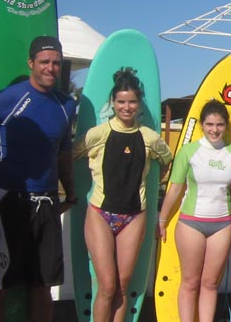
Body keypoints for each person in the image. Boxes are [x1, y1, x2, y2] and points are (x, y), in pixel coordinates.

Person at [0, 36, 78, 322]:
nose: (51, 68)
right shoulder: (4, 99)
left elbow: (63, 154)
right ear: (31, 62)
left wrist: (69, 194)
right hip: (8, 200)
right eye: (45, 61)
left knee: (43, 285)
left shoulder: (66, 105)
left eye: (56, 62)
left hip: (46, 202)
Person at [74, 67, 173, 322]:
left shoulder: (149, 137)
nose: (126, 107)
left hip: (134, 216)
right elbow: (69, 156)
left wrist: (153, 181)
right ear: (113, 103)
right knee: (106, 286)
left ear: (139, 104)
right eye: (121, 102)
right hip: (100, 214)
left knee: (121, 287)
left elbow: (166, 160)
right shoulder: (99, 134)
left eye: (131, 102)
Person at [157, 100, 231, 322]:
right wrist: (162, 219)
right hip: (191, 224)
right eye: (209, 124)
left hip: (222, 225)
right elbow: (175, 188)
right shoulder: (189, 151)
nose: (214, 130)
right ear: (202, 125)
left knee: (210, 284)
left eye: (219, 125)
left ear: (226, 125)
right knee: (190, 282)